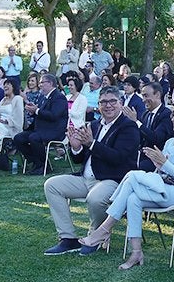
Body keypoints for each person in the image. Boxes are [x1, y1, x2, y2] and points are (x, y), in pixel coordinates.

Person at [78, 102, 174, 268]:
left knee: (132, 176)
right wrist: (160, 165)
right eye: (173, 115)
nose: (173, 119)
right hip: (164, 186)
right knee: (132, 199)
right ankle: (136, 253)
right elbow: (160, 174)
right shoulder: (169, 142)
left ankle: (104, 229)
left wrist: (165, 164)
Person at [42, 87, 143, 255]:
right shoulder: (94, 125)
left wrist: (92, 144)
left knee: (95, 198)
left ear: (121, 103)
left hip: (112, 180)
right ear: (98, 105)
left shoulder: (128, 127)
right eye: (103, 102)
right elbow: (80, 159)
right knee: (52, 185)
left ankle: (96, 236)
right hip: (86, 178)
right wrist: (76, 148)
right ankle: (68, 238)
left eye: (112, 101)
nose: (108, 105)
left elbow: (118, 158)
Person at [13, 74, 68, 175]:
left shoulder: (59, 97)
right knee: (18, 138)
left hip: (54, 130)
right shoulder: (44, 97)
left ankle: (42, 166)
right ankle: (37, 162)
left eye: (42, 82)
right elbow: (41, 113)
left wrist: (37, 110)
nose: (40, 85)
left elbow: (54, 116)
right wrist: (33, 110)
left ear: (50, 83)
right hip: (41, 129)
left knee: (34, 138)